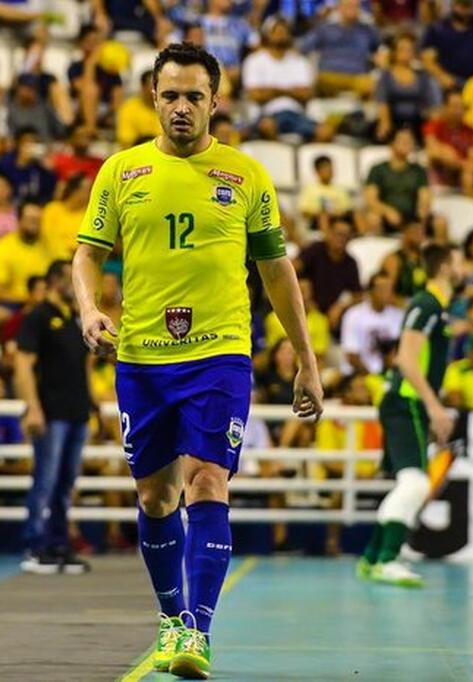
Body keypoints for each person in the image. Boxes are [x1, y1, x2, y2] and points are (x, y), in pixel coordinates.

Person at [72, 43, 323, 679]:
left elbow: (276, 272)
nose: (181, 107)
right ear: (153, 98)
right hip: (143, 358)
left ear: (216, 101)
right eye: (170, 95)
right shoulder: (121, 171)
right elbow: (87, 254)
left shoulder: (246, 176)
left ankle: (197, 633)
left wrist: (306, 359)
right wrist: (88, 307)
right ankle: (170, 616)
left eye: (194, 96)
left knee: (209, 478)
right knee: (156, 498)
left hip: (220, 354)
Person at [357, 243, 462, 588]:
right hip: (407, 402)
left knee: (409, 483)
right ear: (446, 267)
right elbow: (405, 358)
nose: (464, 268)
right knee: (416, 483)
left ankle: (373, 558)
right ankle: (386, 559)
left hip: (408, 402)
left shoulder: (439, 309)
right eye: (458, 261)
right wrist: (434, 407)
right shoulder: (426, 304)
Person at [16, 260, 93, 574]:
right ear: (51, 282)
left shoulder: (74, 319)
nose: (70, 284)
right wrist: (32, 407)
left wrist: (92, 403)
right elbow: (23, 365)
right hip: (51, 412)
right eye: (64, 278)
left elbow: (83, 366)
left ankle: (59, 544)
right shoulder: (38, 317)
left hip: (76, 411)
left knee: (65, 483)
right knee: (45, 481)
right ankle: (36, 546)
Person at [242, 16, 320, 140]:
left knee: (325, 131)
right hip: (267, 114)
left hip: (296, 115)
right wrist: (290, 91)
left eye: (284, 32)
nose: (281, 35)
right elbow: (255, 95)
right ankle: (278, 157)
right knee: (267, 127)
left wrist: (273, 91)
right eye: (277, 32)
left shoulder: (300, 62)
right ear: (267, 35)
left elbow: (307, 94)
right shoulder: (254, 61)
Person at [299, 0, 381, 98]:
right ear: (339, 8)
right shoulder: (326, 29)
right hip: (329, 75)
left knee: (376, 86)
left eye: (355, 6)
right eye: (348, 6)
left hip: (358, 77)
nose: (352, 9)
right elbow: (303, 47)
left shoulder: (367, 31)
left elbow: (381, 49)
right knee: (316, 84)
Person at [374, 33, 441, 143]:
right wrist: (385, 123)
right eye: (402, 49)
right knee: (383, 132)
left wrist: (434, 126)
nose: (406, 53)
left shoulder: (422, 76)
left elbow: (432, 105)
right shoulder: (386, 76)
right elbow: (382, 103)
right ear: (394, 52)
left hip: (417, 122)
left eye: (409, 50)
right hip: (394, 121)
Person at [365, 128, 431, 233]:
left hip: (411, 216)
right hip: (386, 216)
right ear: (391, 143)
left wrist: (423, 211)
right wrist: (387, 211)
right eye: (403, 140)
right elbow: (371, 200)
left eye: (410, 141)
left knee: (439, 222)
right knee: (373, 218)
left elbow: (425, 196)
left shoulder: (418, 171)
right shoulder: (377, 169)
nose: (407, 144)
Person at [340, 272, 404, 375]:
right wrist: (372, 377)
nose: (386, 293)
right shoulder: (353, 315)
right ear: (370, 292)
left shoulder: (399, 316)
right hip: (359, 374)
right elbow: (352, 356)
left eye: (389, 289)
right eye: (382, 289)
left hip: (388, 374)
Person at [424, 89, 473, 197]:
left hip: (462, 174)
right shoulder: (434, 126)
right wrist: (446, 153)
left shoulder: (471, 131)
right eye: (455, 106)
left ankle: (471, 208)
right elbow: (433, 152)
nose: (459, 111)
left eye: (461, 107)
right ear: (445, 107)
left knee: (469, 175)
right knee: (445, 153)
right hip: (440, 172)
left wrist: (454, 159)